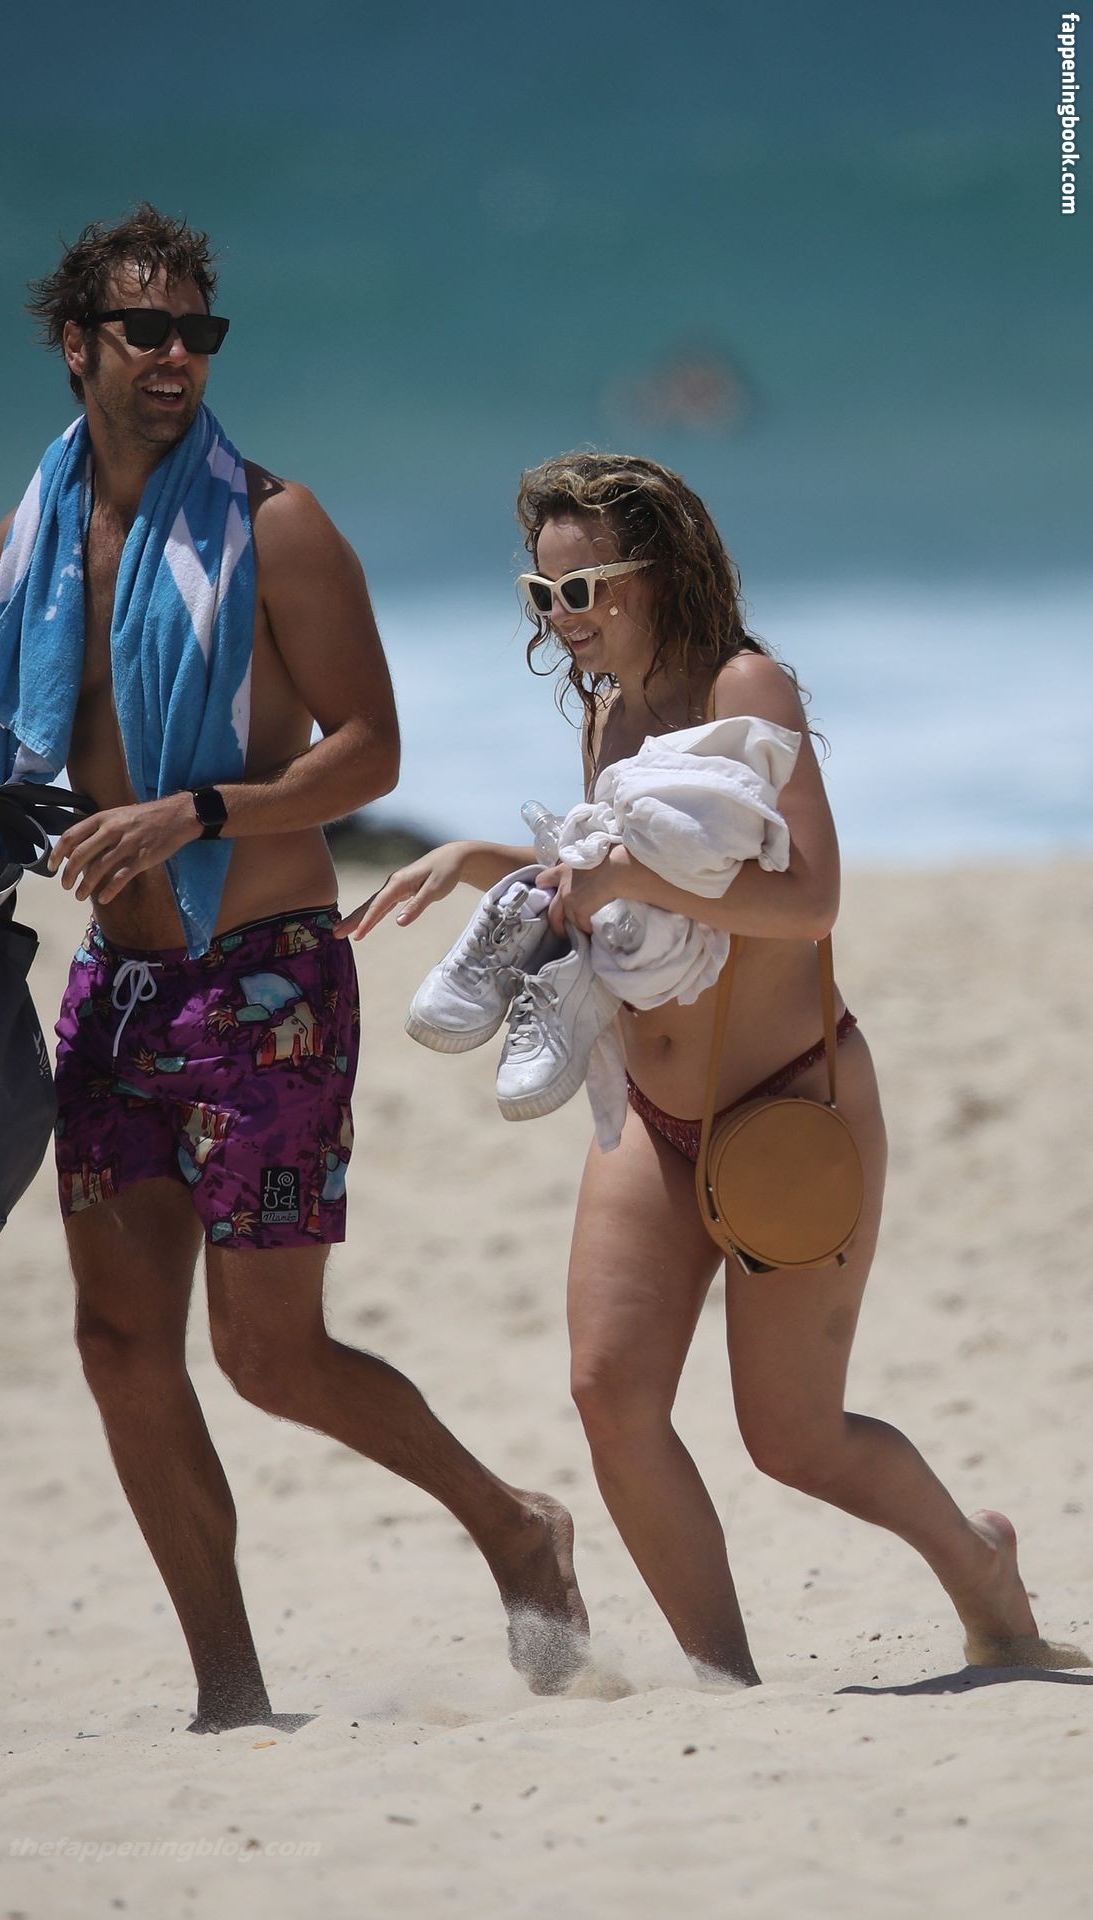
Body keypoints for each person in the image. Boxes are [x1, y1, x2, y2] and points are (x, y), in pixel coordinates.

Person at [0, 207, 586, 1731]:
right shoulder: (32, 533)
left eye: (198, 334)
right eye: (145, 330)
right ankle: (229, 1691)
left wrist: (196, 810)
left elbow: (372, 748)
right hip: (119, 986)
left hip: (265, 981)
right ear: (75, 344)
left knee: (269, 1356)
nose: (176, 357)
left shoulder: (278, 526)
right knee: (116, 1345)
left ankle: (513, 1525)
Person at [340, 451, 1087, 1685]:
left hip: (788, 1105)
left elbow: (809, 901)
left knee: (792, 1439)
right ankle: (722, 1687)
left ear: (658, 572)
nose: (560, 619)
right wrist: (484, 862)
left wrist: (625, 874)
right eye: (541, 595)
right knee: (607, 1395)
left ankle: (982, 1572)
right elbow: (623, 902)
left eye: (582, 590)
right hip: (651, 1113)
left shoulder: (745, 687)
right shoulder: (604, 714)